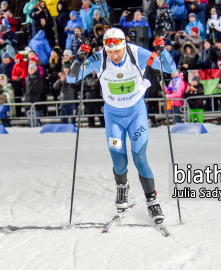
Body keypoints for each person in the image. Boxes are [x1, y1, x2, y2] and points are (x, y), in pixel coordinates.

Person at [66, 28, 177, 224]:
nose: (114, 56)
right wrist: (80, 59)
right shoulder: (99, 58)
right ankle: (122, 187)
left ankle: (152, 201)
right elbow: (71, 78)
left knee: (139, 156)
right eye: (110, 52)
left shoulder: (136, 54)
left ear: (124, 46)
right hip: (113, 116)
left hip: (136, 114)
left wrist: (162, 50)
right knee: (119, 162)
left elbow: (170, 67)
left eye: (118, 51)